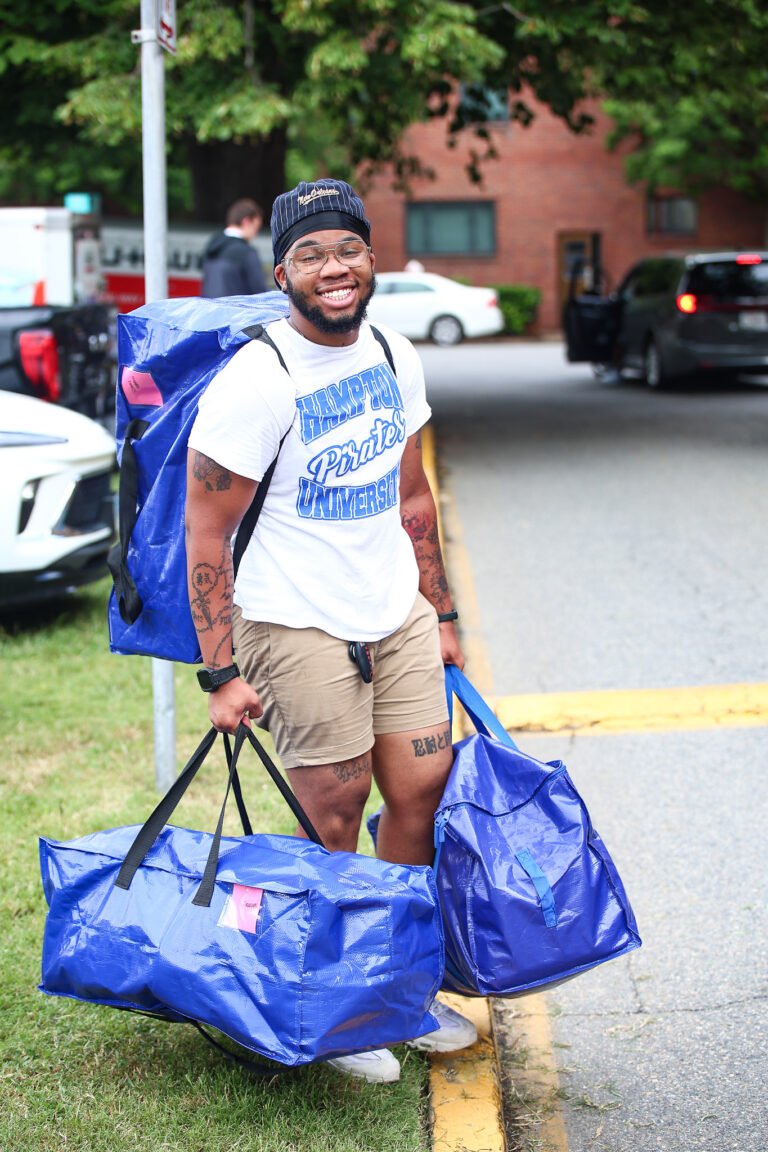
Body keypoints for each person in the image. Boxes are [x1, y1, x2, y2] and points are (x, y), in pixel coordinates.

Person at [184, 178, 476, 1083]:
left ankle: (394, 988)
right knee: (334, 815)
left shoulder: (393, 352)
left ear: (371, 259)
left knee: (420, 794)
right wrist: (220, 672)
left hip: (395, 611)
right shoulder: (258, 379)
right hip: (295, 621)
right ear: (282, 275)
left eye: (347, 248)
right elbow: (205, 531)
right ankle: (329, 1002)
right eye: (309, 254)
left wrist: (442, 612)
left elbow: (412, 493)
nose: (333, 268)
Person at [200, 198, 268, 297]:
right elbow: (259, 294)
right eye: (256, 227)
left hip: (209, 306)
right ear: (246, 221)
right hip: (234, 307)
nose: (255, 234)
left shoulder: (212, 247)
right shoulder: (247, 253)